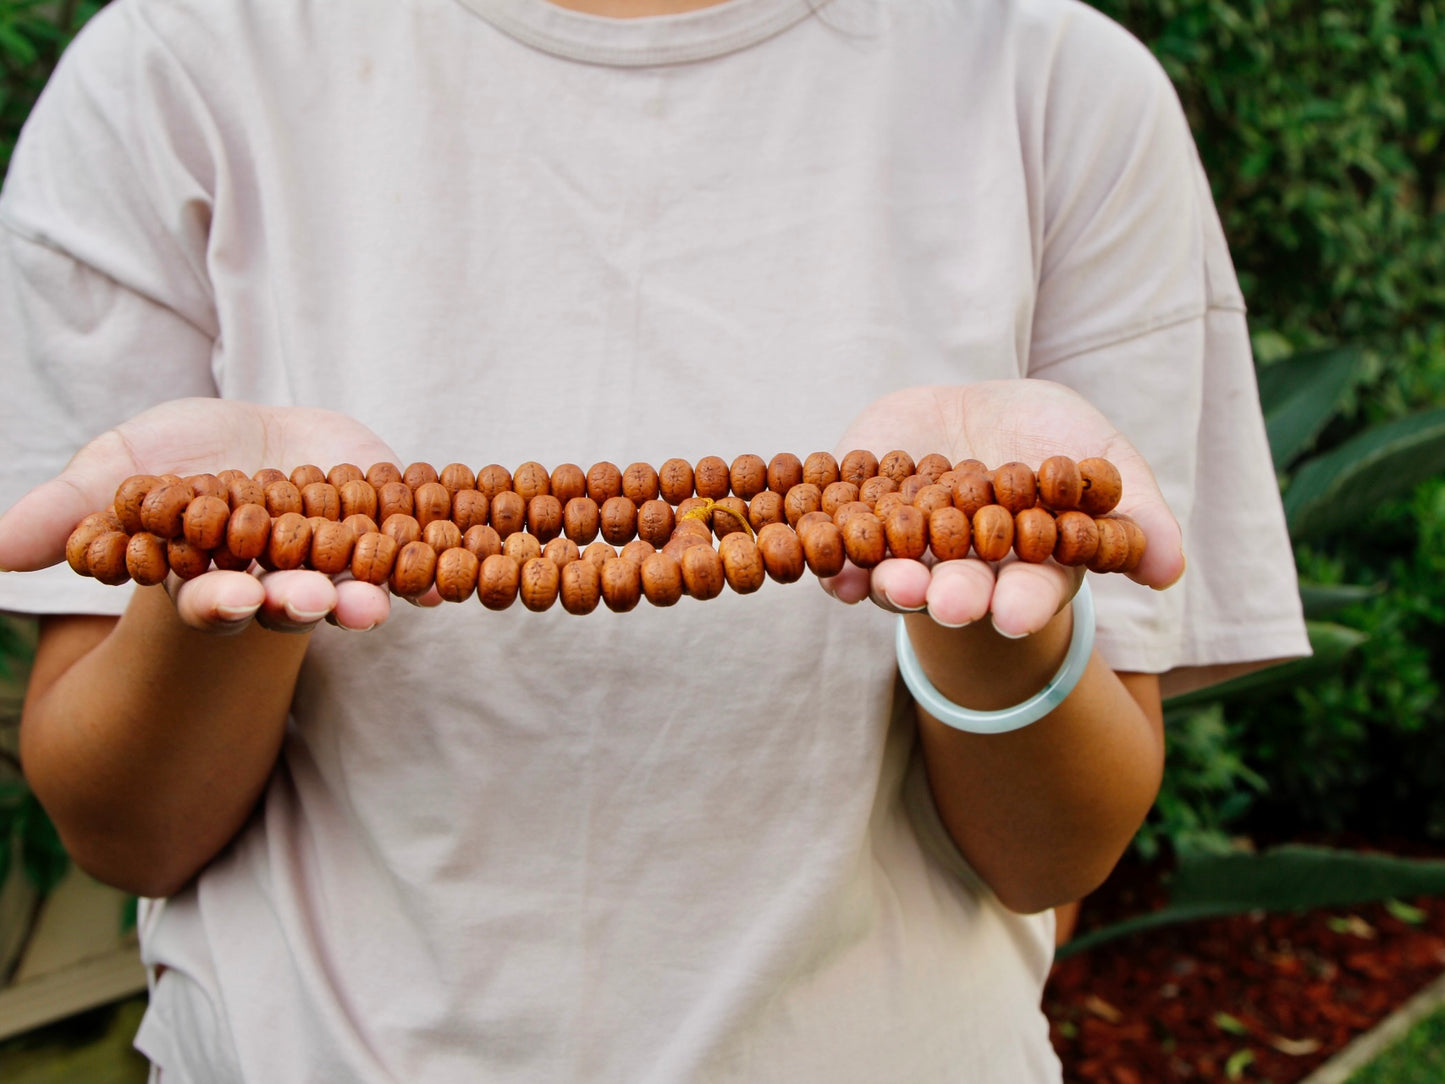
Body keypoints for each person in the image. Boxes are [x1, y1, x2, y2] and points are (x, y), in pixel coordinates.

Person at [0, 0, 1309, 1079]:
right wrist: (236, 587)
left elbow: (1049, 858)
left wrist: (983, 617)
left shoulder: (1050, 83)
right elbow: (127, 833)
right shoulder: (179, 68)